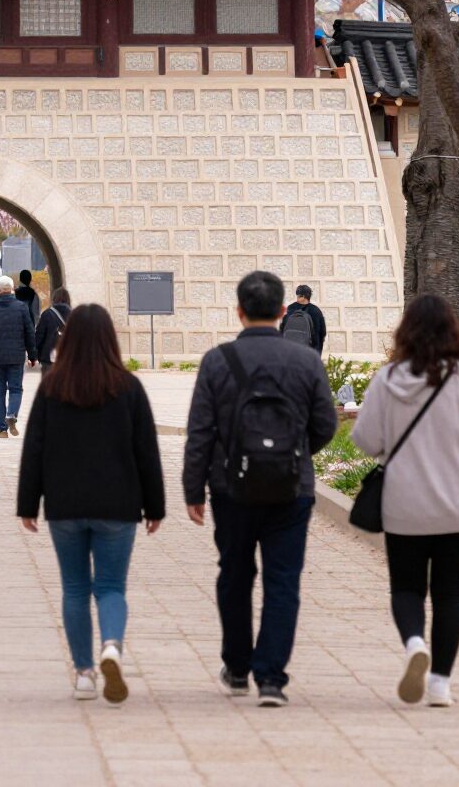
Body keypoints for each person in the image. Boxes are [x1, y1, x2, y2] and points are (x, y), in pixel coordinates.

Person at [352, 293, 459, 707]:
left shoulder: (387, 381)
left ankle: (414, 643)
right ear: (453, 332)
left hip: (404, 506)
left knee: (406, 588)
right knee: (449, 594)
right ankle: (441, 683)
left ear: (405, 332)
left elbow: (366, 439)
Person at [183, 269, 337, 707]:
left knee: (234, 574)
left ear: (239, 311)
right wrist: (295, 454)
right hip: (292, 488)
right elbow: (325, 424)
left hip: (231, 486)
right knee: (283, 580)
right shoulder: (306, 362)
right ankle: (271, 678)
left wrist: (194, 489)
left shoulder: (218, 361)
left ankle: (236, 668)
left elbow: (200, 431)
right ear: (283, 311)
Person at [17, 304, 165, 703]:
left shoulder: (52, 387)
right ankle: (111, 645)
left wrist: (28, 504)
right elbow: (147, 452)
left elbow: (34, 448)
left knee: (75, 588)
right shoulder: (128, 387)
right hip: (118, 505)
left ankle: (84, 674)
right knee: (112, 586)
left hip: (65, 505)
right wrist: (155, 507)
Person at [0, 273, 38, 437]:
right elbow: (29, 332)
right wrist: (32, 355)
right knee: (16, 389)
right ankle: (11, 414)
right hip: (17, 355)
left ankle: (2, 429)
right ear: (12, 289)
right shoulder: (21, 307)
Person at [279, 284, 327, 353]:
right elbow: (322, 332)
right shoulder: (316, 311)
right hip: (310, 351)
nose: (297, 297)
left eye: (298, 295)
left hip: (290, 349)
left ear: (303, 296)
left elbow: (282, 327)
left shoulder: (291, 308)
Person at [35, 287, 73, 366]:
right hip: (69, 357)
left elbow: (39, 336)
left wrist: (37, 354)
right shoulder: (74, 314)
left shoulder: (47, 314)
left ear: (54, 299)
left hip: (48, 358)